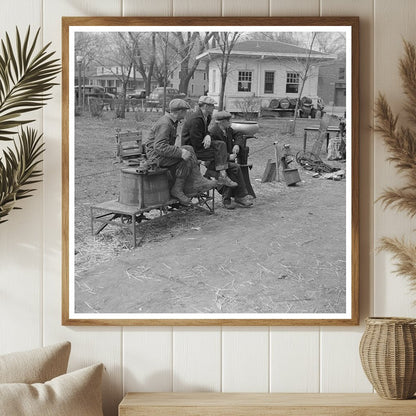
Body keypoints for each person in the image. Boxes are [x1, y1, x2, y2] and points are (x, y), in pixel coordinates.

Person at [145, 98, 216, 206]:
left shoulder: (172, 122)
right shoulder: (166, 124)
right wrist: (180, 153)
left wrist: (182, 151)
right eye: (185, 111)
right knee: (186, 157)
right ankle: (181, 188)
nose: (187, 113)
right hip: (156, 157)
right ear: (179, 112)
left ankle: (193, 183)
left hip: (159, 153)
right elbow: (159, 146)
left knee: (189, 149)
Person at [181, 96, 237, 188]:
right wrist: (209, 141)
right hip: (191, 150)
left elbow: (205, 132)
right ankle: (220, 175)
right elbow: (196, 142)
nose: (214, 108)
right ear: (205, 106)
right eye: (212, 106)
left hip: (200, 145)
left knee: (221, 145)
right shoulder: (196, 119)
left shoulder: (207, 116)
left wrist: (208, 135)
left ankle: (216, 174)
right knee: (219, 153)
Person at [209, 111, 253, 209]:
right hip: (215, 162)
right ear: (221, 122)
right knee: (233, 169)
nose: (230, 123)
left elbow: (238, 135)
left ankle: (237, 197)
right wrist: (228, 156)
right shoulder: (213, 132)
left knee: (234, 169)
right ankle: (234, 198)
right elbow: (213, 152)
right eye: (228, 121)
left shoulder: (228, 129)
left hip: (225, 161)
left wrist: (237, 144)